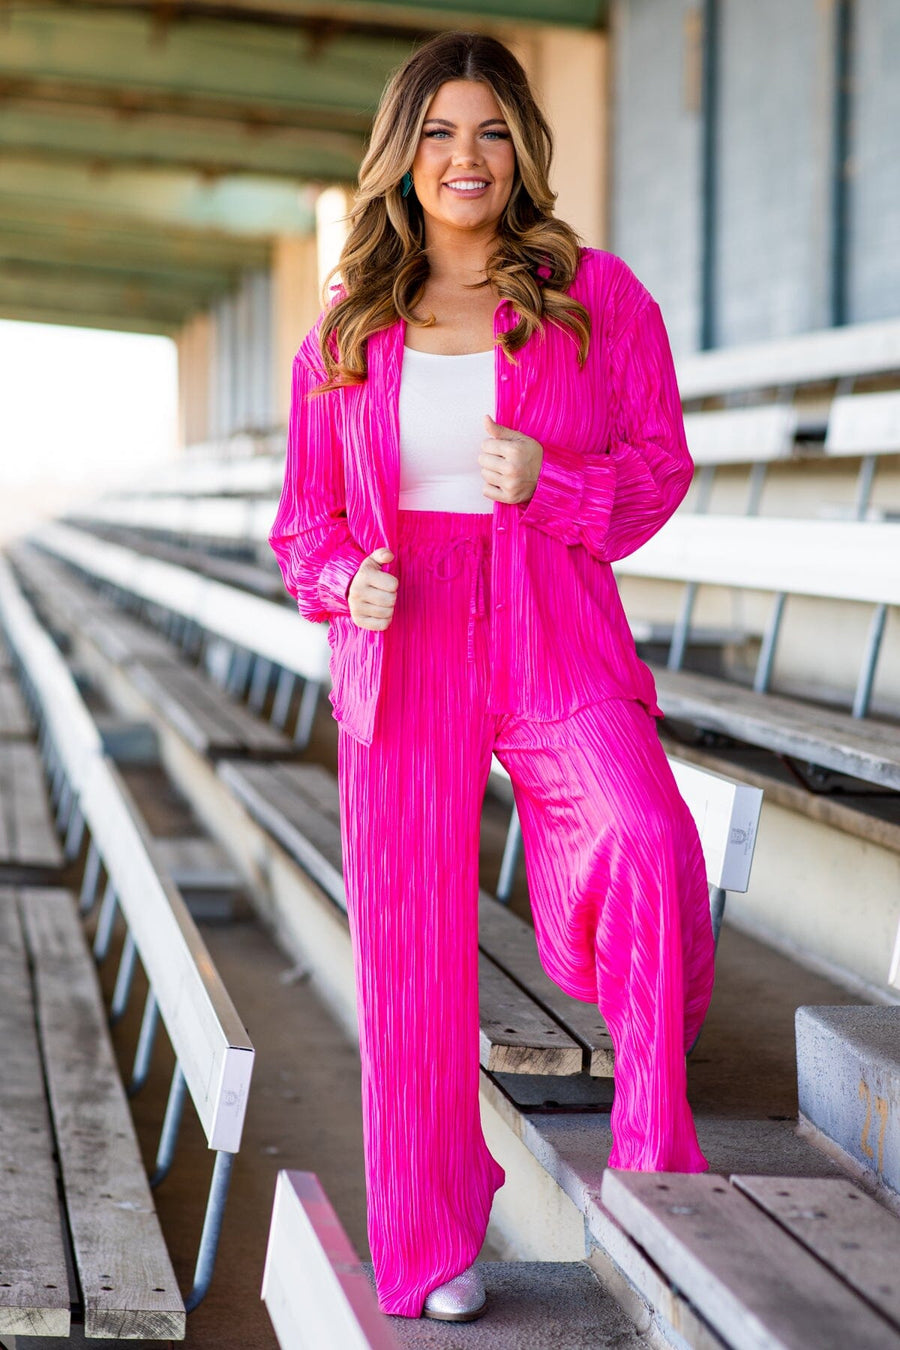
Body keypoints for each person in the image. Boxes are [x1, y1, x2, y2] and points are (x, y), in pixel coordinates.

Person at [269, 29, 715, 1325]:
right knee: (409, 955)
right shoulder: (346, 331)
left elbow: (660, 467)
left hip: (551, 619)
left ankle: (655, 1161)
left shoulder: (597, 299)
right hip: (401, 640)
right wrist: (345, 576)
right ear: (403, 154)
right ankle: (426, 1242)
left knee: (638, 833)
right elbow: (303, 523)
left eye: (493, 132)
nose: (468, 157)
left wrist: (558, 483)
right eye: (443, 132)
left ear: (522, 147)